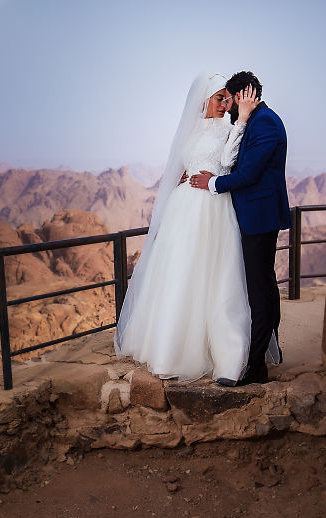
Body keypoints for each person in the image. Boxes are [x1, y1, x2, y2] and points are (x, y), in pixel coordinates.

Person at [114, 72, 258, 383]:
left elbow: (230, 160)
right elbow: (181, 164)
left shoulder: (230, 129)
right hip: (183, 210)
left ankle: (223, 353)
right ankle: (168, 349)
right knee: (178, 273)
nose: (225, 103)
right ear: (204, 99)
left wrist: (242, 120)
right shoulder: (190, 131)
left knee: (215, 275)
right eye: (219, 98)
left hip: (212, 208)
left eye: (228, 98)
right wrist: (183, 176)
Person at [196, 71, 292, 385]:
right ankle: (268, 351)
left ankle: (255, 367)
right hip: (254, 215)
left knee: (258, 289)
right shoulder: (256, 120)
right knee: (264, 283)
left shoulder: (265, 123)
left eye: (231, 100)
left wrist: (210, 182)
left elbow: (248, 174)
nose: (230, 109)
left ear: (241, 97)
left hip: (259, 218)